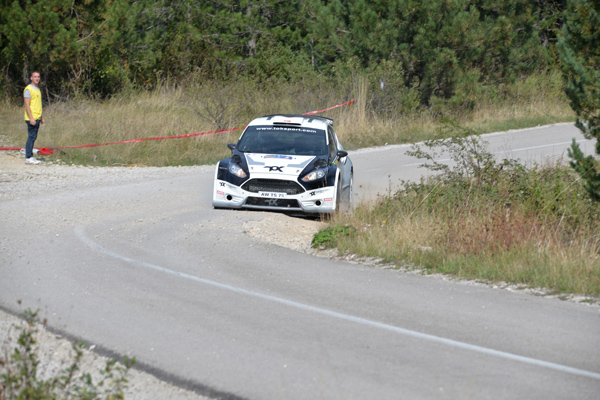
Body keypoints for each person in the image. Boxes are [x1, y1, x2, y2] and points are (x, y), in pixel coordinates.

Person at [23, 71, 44, 164]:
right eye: (35, 76)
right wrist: (31, 118)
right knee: (31, 137)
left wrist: (41, 116)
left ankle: (30, 155)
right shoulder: (28, 89)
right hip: (31, 118)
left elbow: (37, 104)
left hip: (37, 117)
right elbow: (27, 105)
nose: (37, 78)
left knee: (33, 137)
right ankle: (28, 157)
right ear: (31, 78)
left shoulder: (37, 89)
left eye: (38, 77)